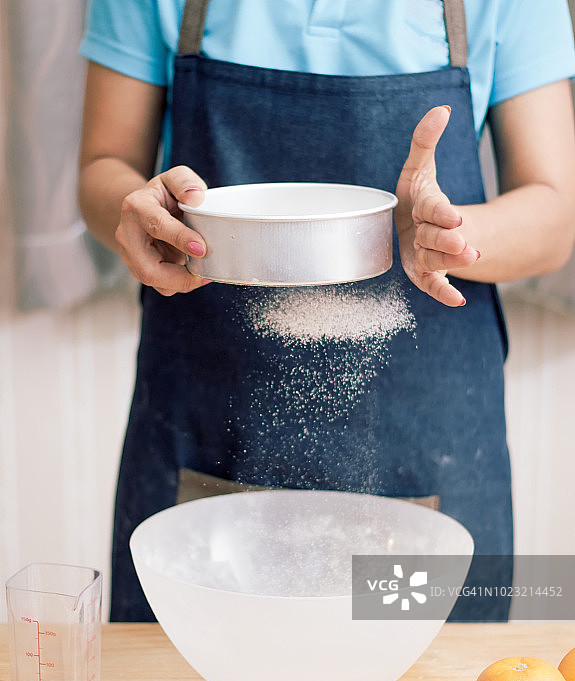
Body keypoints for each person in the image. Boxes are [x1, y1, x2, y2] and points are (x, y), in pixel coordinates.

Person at [79, 0, 575, 622]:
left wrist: (447, 234)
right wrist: (133, 207)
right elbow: (103, 165)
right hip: (207, 440)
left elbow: (555, 215)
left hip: (425, 450)